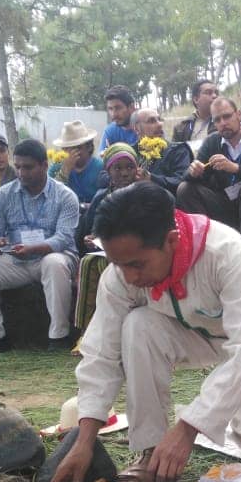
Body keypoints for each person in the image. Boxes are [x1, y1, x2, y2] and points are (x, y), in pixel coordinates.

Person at [45, 182, 241, 482]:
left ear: (171, 240)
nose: (129, 277)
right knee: (138, 326)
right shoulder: (121, 275)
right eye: (118, 264)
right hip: (188, 332)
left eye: (137, 264)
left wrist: (188, 429)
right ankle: (151, 449)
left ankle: (231, 417)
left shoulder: (225, 252)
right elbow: (101, 354)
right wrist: (84, 443)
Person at [0, 138, 80, 353]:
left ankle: (59, 336)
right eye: (18, 167)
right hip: (16, 259)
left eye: (28, 167)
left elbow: (63, 238)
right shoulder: (2, 195)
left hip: (54, 256)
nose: (21, 173)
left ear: (44, 165)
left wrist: (35, 248)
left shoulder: (65, 196)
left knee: (54, 263)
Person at [176, 97, 241, 250]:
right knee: (185, 188)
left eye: (227, 116)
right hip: (225, 203)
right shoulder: (211, 142)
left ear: (239, 114)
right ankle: (207, 247)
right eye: (217, 120)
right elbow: (188, 177)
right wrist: (193, 172)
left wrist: (235, 168)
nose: (223, 123)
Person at [73, 143, 146, 346]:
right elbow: (93, 230)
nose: (124, 173)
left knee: (113, 267)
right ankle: (87, 333)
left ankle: (119, 333)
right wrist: (91, 239)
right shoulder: (101, 197)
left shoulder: (145, 194)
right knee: (88, 262)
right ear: (108, 171)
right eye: (118, 168)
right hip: (109, 251)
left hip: (141, 252)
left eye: (129, 167)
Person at [132, 107, 193, 195]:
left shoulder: (178, 150)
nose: (159, 124)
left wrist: (151, 179)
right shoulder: (130, 152)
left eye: (159, 119)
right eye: (151, 121)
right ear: (137, 128)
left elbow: (181, 181)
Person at [50, 121, 104, 206]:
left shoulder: (100, 168)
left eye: (77, 148)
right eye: (66, 148)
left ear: (89, 147)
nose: (71, 153)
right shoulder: (56, 167)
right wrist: (65, 171)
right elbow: (51, 197)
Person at [171, 79, 218, 143]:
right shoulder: (181, 128)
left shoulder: (223, 122)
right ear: (196, 99)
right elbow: (175, 151)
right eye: (208, 93)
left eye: (216, 93)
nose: (214, 96)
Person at [99, 85, 138, 150]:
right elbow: (103, 157)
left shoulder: (146, 126)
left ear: (131, 107)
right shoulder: (110, 131)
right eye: (110, 109)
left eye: (118, 108)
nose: (114, 114)